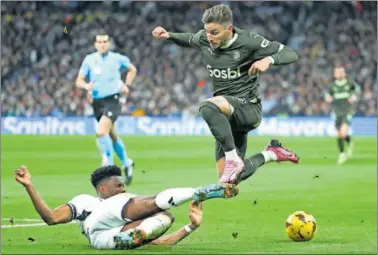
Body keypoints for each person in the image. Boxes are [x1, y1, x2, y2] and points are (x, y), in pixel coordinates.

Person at [152, 4, 299, 184]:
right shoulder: (204, 39)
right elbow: (190, 39)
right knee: (227, 183)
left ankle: (232, 158)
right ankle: (271, 153)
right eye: (207, 31)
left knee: (206, 107)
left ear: (229, 29)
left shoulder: (250, 42)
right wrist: (169, 35)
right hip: (227, 117)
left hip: (247, 108)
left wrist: (269, 60)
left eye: (214, 32)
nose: (209, 37)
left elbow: (290, 53)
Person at [14, 165, 238, 250]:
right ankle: (196, 192)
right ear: (102, 189)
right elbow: (51, 218)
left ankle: (195, 193)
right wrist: (29, 186)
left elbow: (157, 242)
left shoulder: (129, 223)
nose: (123, 188)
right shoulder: (86, 201)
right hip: (98, 225)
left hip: (109, 240)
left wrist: (190, 227)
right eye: (118, 185)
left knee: (165, 218)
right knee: (151, 205)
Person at [75, 32, 137, 185]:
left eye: (105, 41)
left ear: (108, 43)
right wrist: (86, 86)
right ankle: (127, 163)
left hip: (113, 100)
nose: (102, 44)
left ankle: (109, 170)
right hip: (97, 102)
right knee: (112, 134)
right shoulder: (89, 60)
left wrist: (126, 85)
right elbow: (79, 80)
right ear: (95, 44)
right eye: (99, 42)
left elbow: (132, 69)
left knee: (101, 132)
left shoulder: (117, 58)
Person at [325, 65, 360, 164]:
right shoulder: (332, 86)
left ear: (344, 73)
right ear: (335, 74)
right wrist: (328, 98)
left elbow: (357, 90)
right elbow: (327, 94)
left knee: (343, 131)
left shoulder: (350, 83)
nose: (339, 74)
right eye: (337, 72)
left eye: (341, 72)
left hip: (347, 111)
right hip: (337, 112)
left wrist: (354, 96)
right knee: (340, 134)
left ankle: (342, 154)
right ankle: (350, 143)